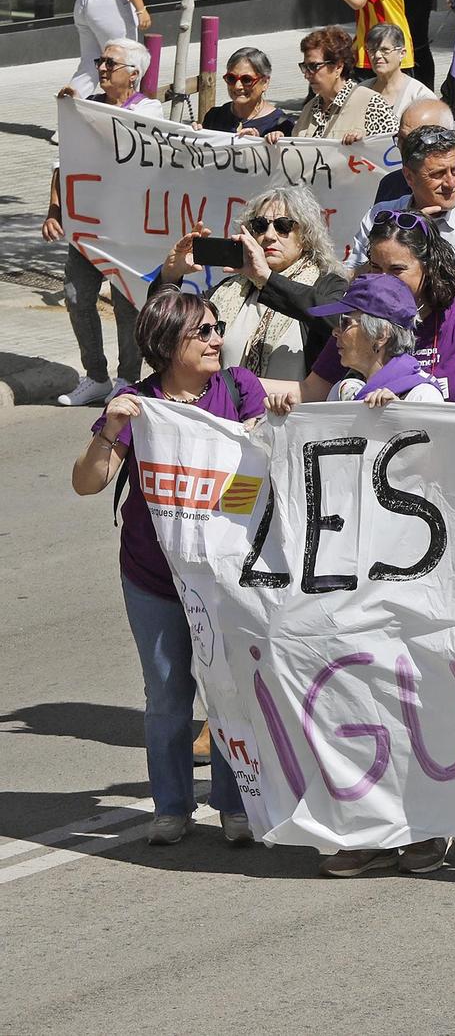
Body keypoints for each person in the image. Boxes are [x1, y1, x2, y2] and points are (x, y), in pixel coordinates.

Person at [70, 291, 262, 849]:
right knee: (167, 695)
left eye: (216, 328)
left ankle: (235, 804)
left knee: (228, 691)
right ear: (166, 344)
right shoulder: (139, 401)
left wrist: (262, 434)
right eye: (201, 333)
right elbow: (87, 482)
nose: (215, 340)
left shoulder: (237, 388)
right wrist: (110, 427)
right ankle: (172, 807)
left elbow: (262, 470)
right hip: (153, 577)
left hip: (225, 577)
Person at [287, 211, 455, 408]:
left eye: (396, 270)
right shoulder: (362, 315)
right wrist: (251, 386)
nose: (383, 279)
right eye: (375, 267)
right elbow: (310, 391)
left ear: (429, 265)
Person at [46, 38, 160, 404]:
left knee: (127, 305)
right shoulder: (87, 108)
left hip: (128, 231)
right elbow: (62, 163)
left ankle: (128, 377)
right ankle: (95, 375)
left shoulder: (151, 112)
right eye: (101, 61)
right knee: (76, 296)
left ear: (134, 74)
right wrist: (54, 210)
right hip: (87, 227)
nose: (102, 68)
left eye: (111, 63)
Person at [151, 184, 348, 386]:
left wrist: (268, 279)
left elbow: (341, 323)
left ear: (306, 237)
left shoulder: (327, 285)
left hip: (295, 414)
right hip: (228, 414)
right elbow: (163, 330)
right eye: (260, 225)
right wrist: (170, 274)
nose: (270, 235)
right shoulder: (229, 289)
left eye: (283, 226)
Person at [352, 124, 455, 297]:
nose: (451, 183)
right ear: (409, 176)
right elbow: (351, 283)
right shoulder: (379, 216)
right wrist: (398, 236)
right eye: (438, 174)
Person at [308, 272, 449, 405]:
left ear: (381, 335)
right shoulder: (341, 390)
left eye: (345, 323)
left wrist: (399, 415)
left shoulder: (422, 395)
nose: (335, 332)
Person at [287, 27, 395, 147]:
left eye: (314, 66)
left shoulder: (372, 104)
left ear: (338, 67)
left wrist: (363, 145)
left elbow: (392, 154)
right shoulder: (309, 109)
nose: (307, 75)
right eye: (305, 67)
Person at [201, 47, 293, 138]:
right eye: (231, 78)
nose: (238, 86)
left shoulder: (281, 125)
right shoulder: (214, 117)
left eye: (247, 80)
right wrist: (193, 134)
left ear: (265, 82)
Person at [361, 23, 434, 123]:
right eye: (372, 50)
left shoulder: (420, 96)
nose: (377, 55)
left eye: (384, 50)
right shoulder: (360, 91)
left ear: (402, 53)